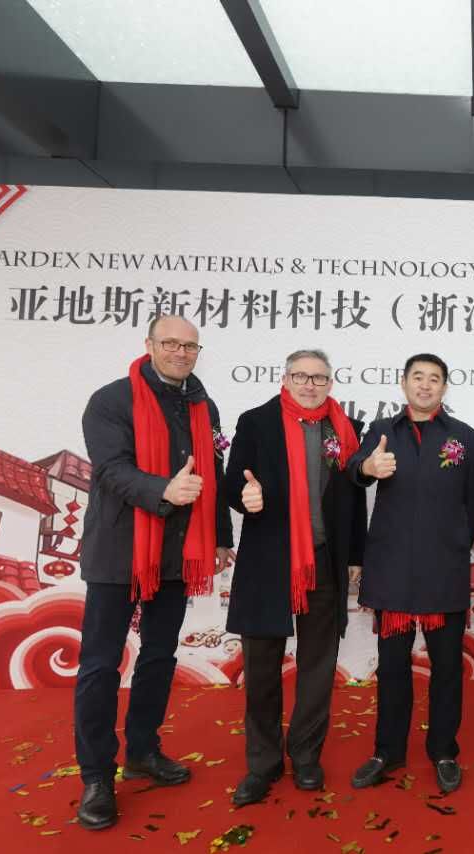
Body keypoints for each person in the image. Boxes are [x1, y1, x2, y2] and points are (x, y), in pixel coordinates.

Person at [74, 315, 234, 830]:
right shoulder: (111, 400)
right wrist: (163, 489)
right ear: (149, 344)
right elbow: (110, 469)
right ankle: (97, 776)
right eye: (170, 343)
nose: (181, 353)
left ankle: (143, 750)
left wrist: (222, 538)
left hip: (177, 553)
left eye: (190, 346)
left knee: (160, 656)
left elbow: (213, 474)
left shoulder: (203, 406)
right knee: (100, 666)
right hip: (118, 552)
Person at [221, 349, 367, 805]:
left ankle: (305, 755)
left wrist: (355, 555)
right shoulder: (256, 422)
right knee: (262, 667)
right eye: (301, 376)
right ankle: (262, 763)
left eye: (319, 378)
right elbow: (232, 483)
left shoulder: (344, 429)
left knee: (318, 665)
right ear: (285, 379)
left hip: (324, 560)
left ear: (330, 383)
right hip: (269, 560)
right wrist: (245, 496)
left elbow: (354, 498)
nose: (309, 385)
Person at [347, 354, 474, 794]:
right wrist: (368, 467)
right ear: (404, 383)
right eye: (418, 377)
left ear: (444, 387)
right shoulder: (381, 431)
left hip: (443, 570)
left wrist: (454, 543)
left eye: (434, 379)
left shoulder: (464, 436)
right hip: (392, 572)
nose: (425, 385)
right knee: (392, 668)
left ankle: (444, 751)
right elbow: (354, 471)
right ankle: (386, 751)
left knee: (447, 668)